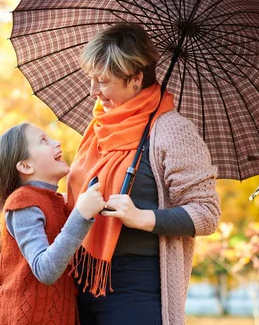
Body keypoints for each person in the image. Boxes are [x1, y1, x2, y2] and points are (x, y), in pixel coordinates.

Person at [67, 23, 222, 325]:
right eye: (91, 79)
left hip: (136, 288)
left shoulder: (172, 131)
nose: (93, 91)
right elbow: (75, 201)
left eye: (103, 81)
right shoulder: (99, 129)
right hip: (81, 280)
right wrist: (21, 195)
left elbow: (207, 213)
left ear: (136, 78)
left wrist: (142, 217)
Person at [0, 123, 105, 325]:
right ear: (25, 166)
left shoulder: (54, 202)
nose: (57, 142)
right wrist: (81, 215)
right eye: (43, 141)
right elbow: (45, 270)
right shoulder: (23, 201)